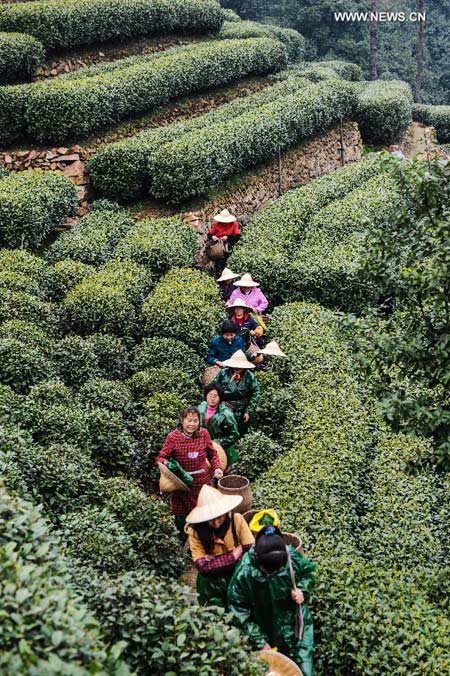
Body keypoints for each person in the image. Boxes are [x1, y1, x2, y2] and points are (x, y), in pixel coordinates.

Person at [228, 525, 316, 676]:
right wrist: (259, 641)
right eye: (268, 571)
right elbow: (238, 609)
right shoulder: (245, 572)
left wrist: (302, 590)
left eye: (277, 570)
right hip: (264, 625)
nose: (273, 574)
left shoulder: (291, 557)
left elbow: (309, 573)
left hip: (295, 623)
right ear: (257, 559)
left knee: (304, 671)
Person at [156, 406, 223, 534]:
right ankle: (183, 539)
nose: (192, 424)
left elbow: (212, 454)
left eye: (195, 421)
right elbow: (161, 457)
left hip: (202, 484)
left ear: (199, 422)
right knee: (182, 517)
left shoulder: (204, 434)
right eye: (189, 420)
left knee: (203, 515)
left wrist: (217, 468)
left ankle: (200, 541)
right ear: (182, 420)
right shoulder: (173, 437)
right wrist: (169, 466)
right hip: (181, 486)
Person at [185, 484, 255, 608]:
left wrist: (215, 561)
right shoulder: (195, 532)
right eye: (211, 519)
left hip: (237, 573)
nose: (216, 523)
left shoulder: (237, 520)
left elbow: (251, 549)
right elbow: (203, 566)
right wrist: (233, 556)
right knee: (214, 612)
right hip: (211, 582)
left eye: (220, 517)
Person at [213, 350, 260, 435]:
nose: (237, 368)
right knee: (223, 428)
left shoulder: (250, 376)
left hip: (242, 408)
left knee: (240, 430)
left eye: (240, 366)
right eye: (235, 365)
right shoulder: (223, 373)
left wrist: (248, 411)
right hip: (225, 406)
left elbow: (256, 393)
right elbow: (214, 388)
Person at [198, 382, 239, 468]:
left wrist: (218, 442)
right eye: (210, 395)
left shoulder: (226, 415)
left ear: (220, 397)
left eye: (215, 396)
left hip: (222, 449)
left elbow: (234, 434)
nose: (212, 398)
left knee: (221, 468)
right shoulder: (201, 408)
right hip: (202, 447)